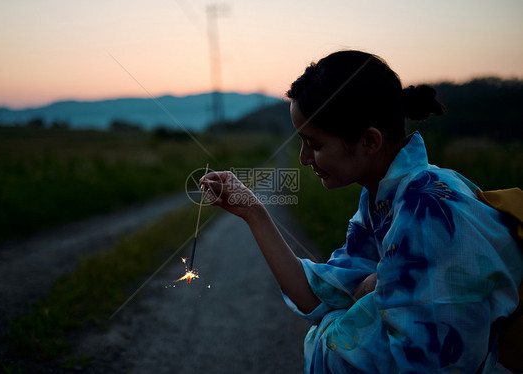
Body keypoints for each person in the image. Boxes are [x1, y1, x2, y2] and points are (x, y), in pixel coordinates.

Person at [200, 50, 523, 373]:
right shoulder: (382, 201)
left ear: (369, 140)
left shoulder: (429, 209)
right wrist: (254, 211)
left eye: (314, 145)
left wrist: (341, 318)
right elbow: (322, 293)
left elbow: (423, 362)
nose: (303, 158)